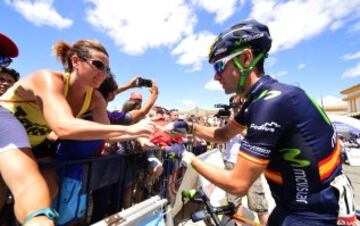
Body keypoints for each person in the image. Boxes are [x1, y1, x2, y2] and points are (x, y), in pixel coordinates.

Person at [167, 19, 356, 225]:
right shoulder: (260, 100)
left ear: (246, 58)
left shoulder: (271, 103)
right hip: (293, 207)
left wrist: (187, 157)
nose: (215, 76)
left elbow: (237, 184)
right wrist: (190, 128)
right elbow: (222, 135)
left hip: (310, 215)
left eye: (220, 65)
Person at [0, 39, 155, 226]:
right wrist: (129, 129)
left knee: (50, 187)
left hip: (36, 143)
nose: (102, 74)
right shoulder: (48, 79)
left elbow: (105, 134)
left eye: (106, 69)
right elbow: (63, 127)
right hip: (6, 132)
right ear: (75, 61)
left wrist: (141, 133)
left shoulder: (96, 98)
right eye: (98, 65)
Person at [224, 95, 269, 225]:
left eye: (239, 104)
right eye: (234, 105)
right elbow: (222, 137)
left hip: (250, 164)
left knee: (259, 201)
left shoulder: (254, 119)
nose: (237, 108)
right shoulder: (229, 120)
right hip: (231, 161)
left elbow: (253, 137)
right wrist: (227, 121)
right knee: (234, 201)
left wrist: (236, 124)